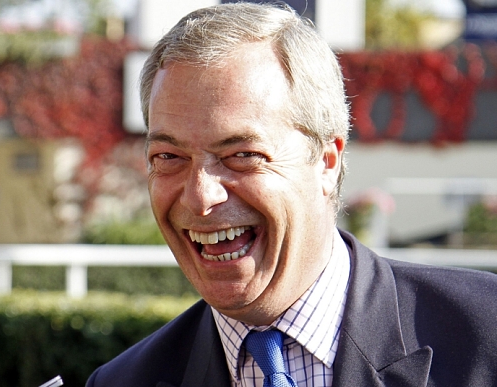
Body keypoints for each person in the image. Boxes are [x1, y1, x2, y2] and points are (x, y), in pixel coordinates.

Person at [86, 3, 497, 386]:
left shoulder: (485, 333)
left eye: (242, 154)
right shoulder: (123, 380)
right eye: (169, 156)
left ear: (326, 161)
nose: (200, 197)